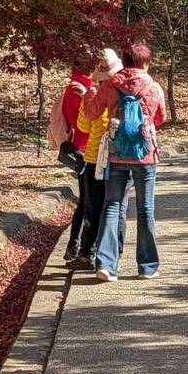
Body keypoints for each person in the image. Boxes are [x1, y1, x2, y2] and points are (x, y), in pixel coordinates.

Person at [84, 42, 166, 281]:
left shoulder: (110, 84)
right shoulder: (153, 86)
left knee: (112, 205)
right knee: (145, 208)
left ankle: (106, 265)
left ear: (125, 61)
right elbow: (160, 118)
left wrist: (92, 94)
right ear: (145, 62)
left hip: (116, 152)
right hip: (145, 154)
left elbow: (91, 113)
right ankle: (147, 266)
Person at [75, 48, 126, 266]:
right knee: (117, 206)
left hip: (95, 156)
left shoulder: (93, 93)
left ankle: (88, 251)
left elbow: (82, 126)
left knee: (93, 207)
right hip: (119, 155)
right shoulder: (125, 92)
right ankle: (116, 252)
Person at [61, 65, 94, 261]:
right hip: (90, 148)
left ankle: (73, 245)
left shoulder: (69, 87)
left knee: (84, 200)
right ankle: (81, 247)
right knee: (91, 201)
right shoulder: (87, 87)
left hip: (77, 146)